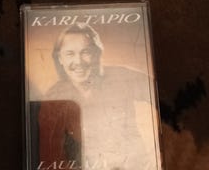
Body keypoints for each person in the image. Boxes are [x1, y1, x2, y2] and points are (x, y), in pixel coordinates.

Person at [35, 23, 155, 169]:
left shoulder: (121, 77)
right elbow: (49, 151)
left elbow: (160, 95)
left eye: (86, 52)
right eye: (70, 54)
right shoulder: (53, 96)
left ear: (97, 53)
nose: (78, 61)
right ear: (60, 58)